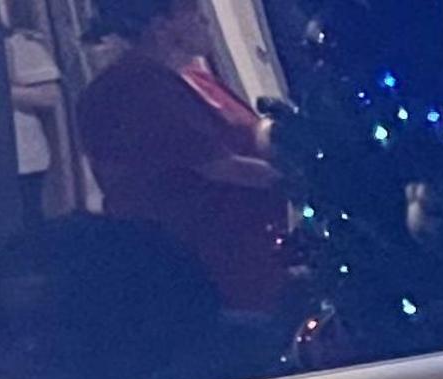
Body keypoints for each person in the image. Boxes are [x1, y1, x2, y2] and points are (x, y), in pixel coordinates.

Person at [77, 0, 289, 315]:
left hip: (250, 254)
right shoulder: (134, 88)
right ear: (159, 24)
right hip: (202, 266)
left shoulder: (191, 78)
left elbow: (247, 135)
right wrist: (301, 181)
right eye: (194, 12)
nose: (205, 21)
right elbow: (220, 166)